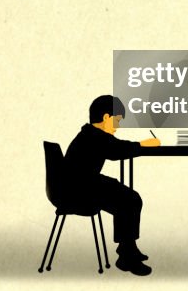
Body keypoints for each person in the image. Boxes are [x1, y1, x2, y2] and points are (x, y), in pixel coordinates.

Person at [63, 95, 161, 276]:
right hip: (78, 191)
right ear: (106, 117)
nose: (117, 126)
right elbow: (117, 150)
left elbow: (115, 148)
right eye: (117, 121)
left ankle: (127, 247)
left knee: (128, 198)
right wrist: (144, 145)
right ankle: (126, 255)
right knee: (129, 200)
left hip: (80, 185)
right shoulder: (94, 136)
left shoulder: (90, 134)